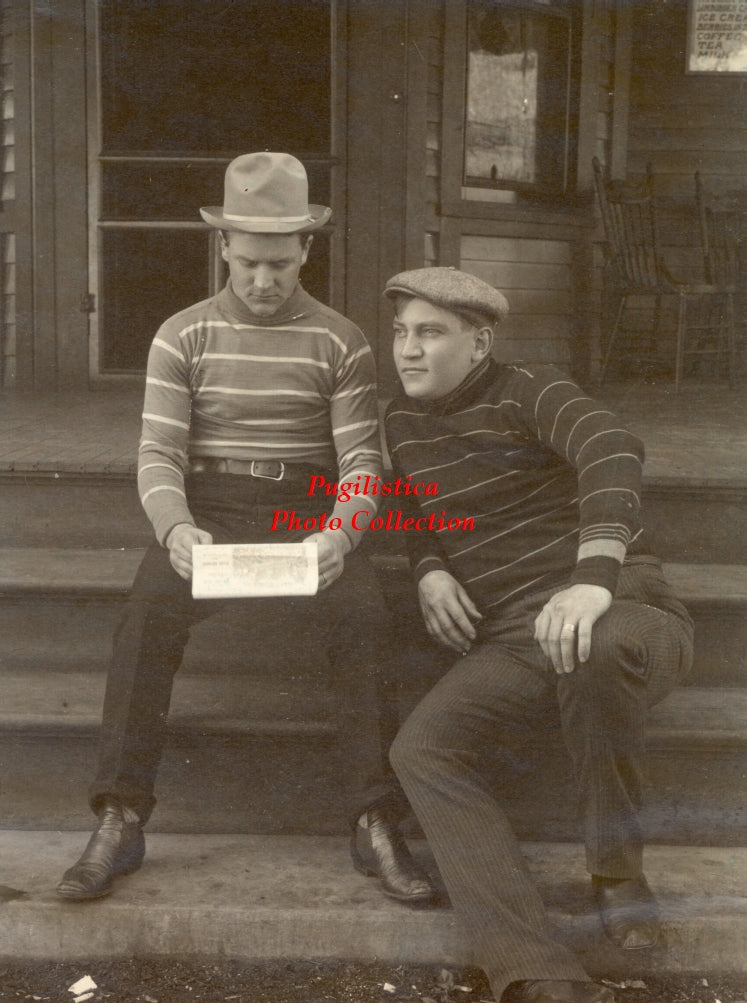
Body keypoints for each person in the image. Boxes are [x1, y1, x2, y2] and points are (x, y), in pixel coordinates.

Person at [56, 153, 435, 906]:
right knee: (145, 614)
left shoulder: (341, 340)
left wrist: (338, 533)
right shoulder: (181, 336)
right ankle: (120, 816)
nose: (264, 280)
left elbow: (362, 457)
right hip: (211, 510)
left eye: (280, 264)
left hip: (306, 509)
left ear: (305, 252)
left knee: (362, 611)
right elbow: (159, 452)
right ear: (224, 246)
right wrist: (176, 528)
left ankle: (373, 819)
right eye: (250, 261)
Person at [382, 267, 694, 1003]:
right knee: (421, 748)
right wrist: (428, 567)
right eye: (399, 332)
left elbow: (612, 446)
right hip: (515, 638)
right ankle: (538, 973)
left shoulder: (529, 388)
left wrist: (591, 578)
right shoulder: (401, 422)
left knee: (595, 646)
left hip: (628, 606)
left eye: (430, 332)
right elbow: (411, 506)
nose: (407, 350)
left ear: (479, 341)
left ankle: (617, 871)